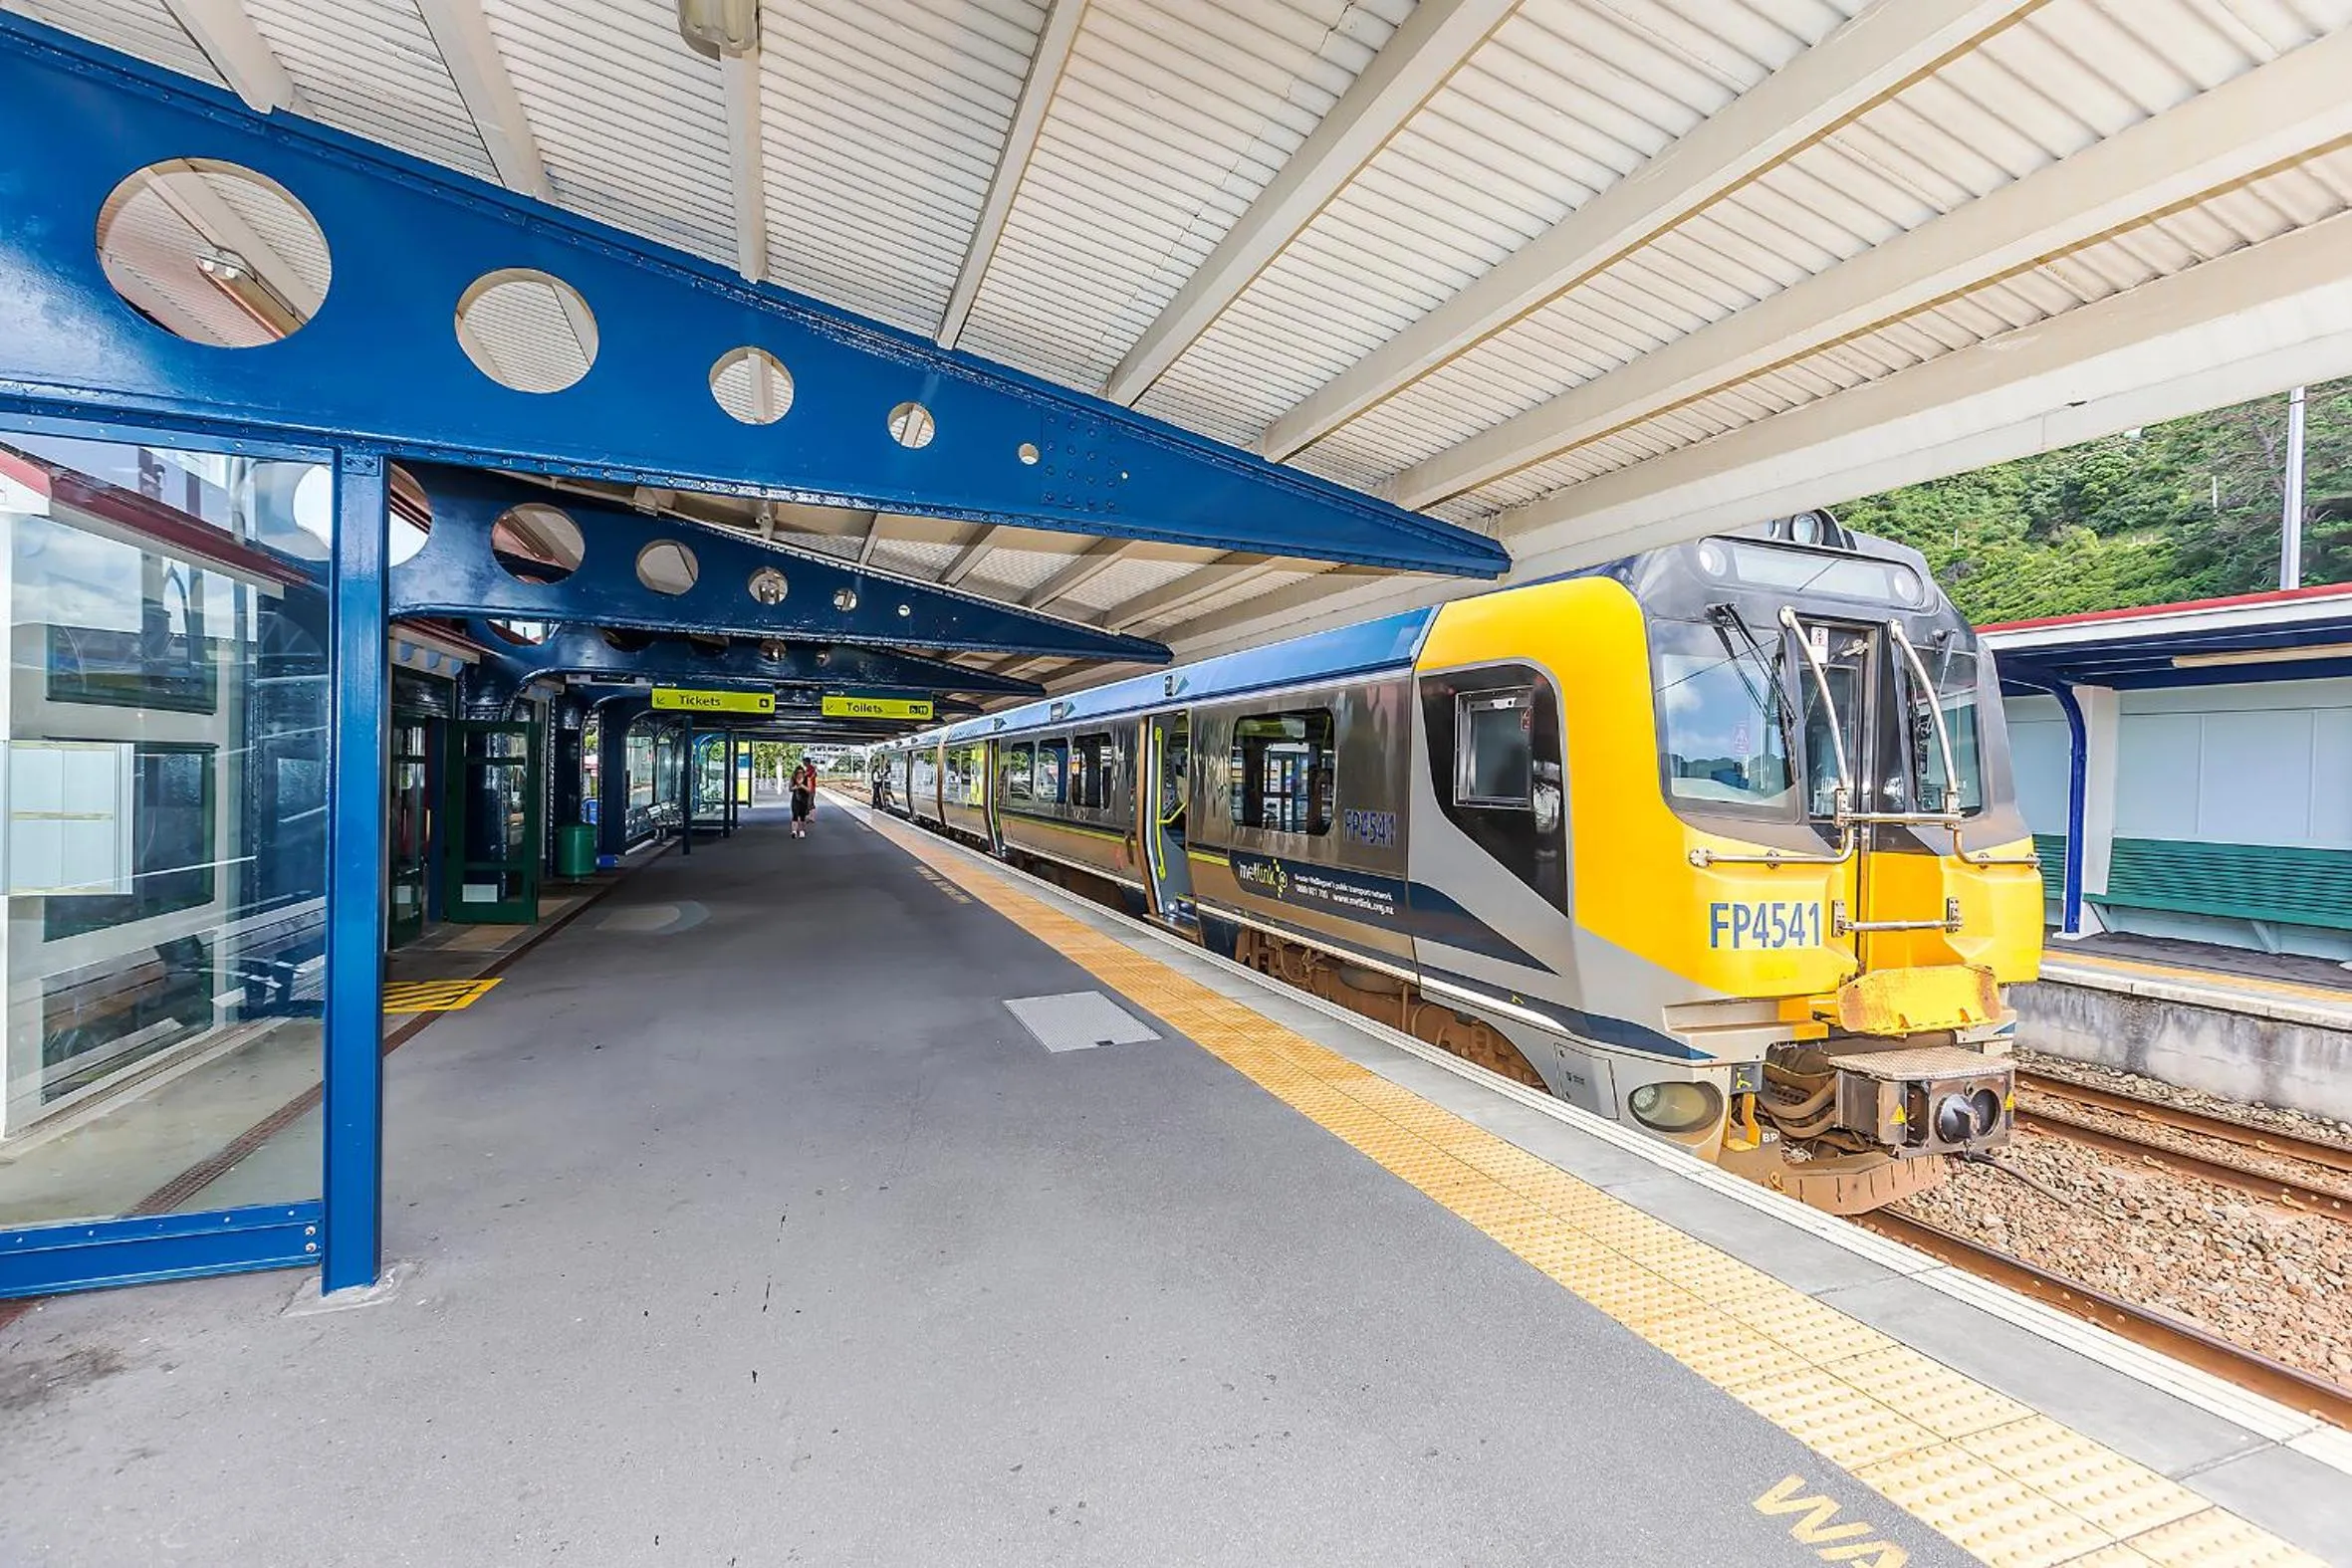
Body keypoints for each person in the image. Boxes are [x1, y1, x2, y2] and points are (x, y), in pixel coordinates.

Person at [790, 759, 818, 837]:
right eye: (798, 773)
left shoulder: (807, 778)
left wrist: (802, 786)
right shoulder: (793, 779)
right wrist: (796, 787)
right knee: (795, 814)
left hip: (804, 798)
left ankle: (802, 831)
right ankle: (794, 831)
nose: (799, 774)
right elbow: (790, 788)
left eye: (801, 773)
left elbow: (809, 789)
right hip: (795, 798)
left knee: (802, 815)